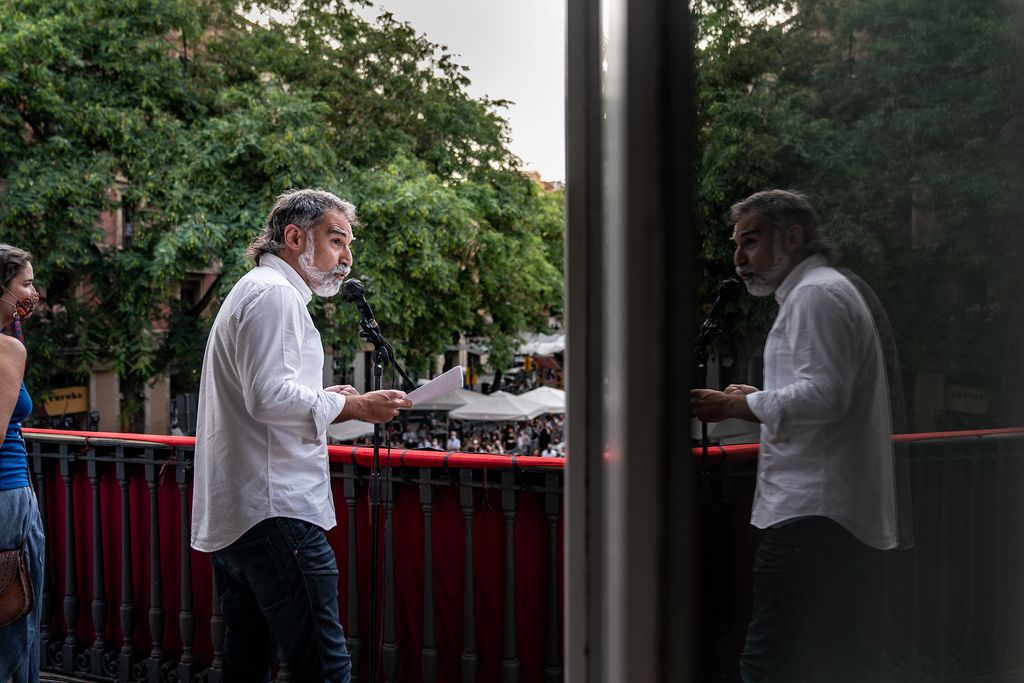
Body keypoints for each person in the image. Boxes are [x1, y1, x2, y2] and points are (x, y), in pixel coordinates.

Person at [190, 189, 410, 682]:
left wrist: (321, 395)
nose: (346, 258)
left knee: (247, 662)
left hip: (243, 514)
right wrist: (353, 404)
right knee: (325, 666)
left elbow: (265, 395)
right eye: (336, 241)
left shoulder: (257, 289)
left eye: (349, 245)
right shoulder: (275, 295)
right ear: (294, 237)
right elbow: (268, 397)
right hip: (277, 511)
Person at [690, 190, 907, 682]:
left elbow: (827, 396)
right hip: (820, 515)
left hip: (810, 515)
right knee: (815, 658)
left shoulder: (814, 295)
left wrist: (735, 404)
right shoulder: (821, 291)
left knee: (769, 660)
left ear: (792, 238)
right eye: (736, 244)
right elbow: (822, 393)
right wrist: (759, 397)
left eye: (751, 241)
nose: (738, 257)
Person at [0, 244, 44, 683]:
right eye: (26, 283)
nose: (34, 292)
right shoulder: (8, 350)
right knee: (17, 617)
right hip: (8, 498)